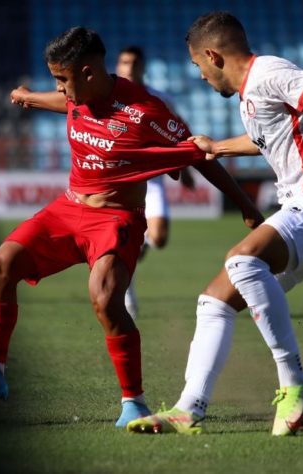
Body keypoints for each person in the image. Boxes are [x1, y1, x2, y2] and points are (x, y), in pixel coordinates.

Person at [127, 11, 303, 436]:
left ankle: (295, 380)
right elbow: (267, 137)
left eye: (198, 66)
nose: (201, 77)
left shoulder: (269, 73)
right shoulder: (251, 94)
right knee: (215, 300)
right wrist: (218, 147)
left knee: (242, 261)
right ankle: (188, 409)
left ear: (212, 54)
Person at [0, 26, 263, 428]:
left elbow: (197, 155)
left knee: (104, 298)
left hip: (117, 218)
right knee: (2, 263)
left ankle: (133, 401)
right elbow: (63, 104)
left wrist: (244, 205)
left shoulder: (145, 111)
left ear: (87, 73)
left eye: (62, 80)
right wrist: (30, 97)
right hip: (68, 208)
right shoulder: (76, 96)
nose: (60, 89)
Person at [115, 45, 196, 319]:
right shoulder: (109, 97)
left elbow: (179, 135)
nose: (129, 67)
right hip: (122, 179)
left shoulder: (159, 98)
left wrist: (186, 171)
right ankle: (126, 289)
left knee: (158, 238)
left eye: (134, 62)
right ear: (118, 66)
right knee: (120, 240)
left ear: (143, 67)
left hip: (153, 180)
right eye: (124, 62)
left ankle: (132, 262)